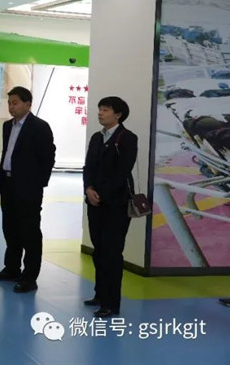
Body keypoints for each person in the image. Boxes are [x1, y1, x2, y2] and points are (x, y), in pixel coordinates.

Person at [0, 86, 55, 293]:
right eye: (9, 103)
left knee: (30, 233)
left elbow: (48, 157)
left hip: (28, 188)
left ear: (28, 104)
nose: (11, 107)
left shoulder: (40, 127)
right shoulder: (8, 125)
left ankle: (29, 277)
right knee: (10, 229)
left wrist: (39, 183)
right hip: (8, 184)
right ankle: (11, 268)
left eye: (15, 103)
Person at [83, 96, 138, 318]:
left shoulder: (127, 138)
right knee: (98, 250)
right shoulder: (97, 137)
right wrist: (88, 189)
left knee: (112, 253)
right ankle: (100, 294)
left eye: (105, 110)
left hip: (116, 204)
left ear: (118, 115)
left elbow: (122, 172)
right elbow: (88, 167)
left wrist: (101, 195)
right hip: (94, 202)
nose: (100, 113)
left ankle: (111, 303)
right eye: (100, 109)